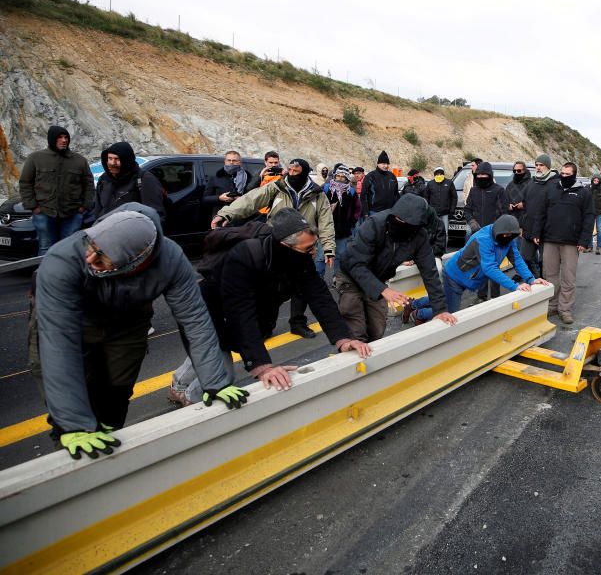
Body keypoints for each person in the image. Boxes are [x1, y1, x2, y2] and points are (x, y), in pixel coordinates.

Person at [34, 204, 245, 460]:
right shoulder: (62, 260)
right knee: (74, 400)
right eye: (91, 247)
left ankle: (109, 448)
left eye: (101, 256)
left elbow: (195, 321)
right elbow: (59, 343)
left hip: (128, 321)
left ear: (137, 260)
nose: (90, 259)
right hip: (72, 323)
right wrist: (74, 423)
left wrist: (215, 381)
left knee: (114, 396)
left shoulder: (171, 260)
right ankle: (70, 456)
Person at [169, 208, 371, 405]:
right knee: (222, 374)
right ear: (285, 245)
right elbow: (241, 314)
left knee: (218, 350)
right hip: (209, 314)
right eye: (308, 249)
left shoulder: (299, 258)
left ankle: (178, 383)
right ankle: (191, 400)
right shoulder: (244, 256)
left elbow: (321, 298)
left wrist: (344, 339)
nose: (314, 253)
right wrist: (262, 366)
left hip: (243, 312)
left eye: (314, 246)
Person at [214, 158, 336, 337]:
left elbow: (326, 222)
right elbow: (251, 200)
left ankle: (298, 323)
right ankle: (266, 326)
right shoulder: (276, 188)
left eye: (296, 171)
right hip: (276, 247)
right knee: (271, 291)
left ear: (304, 172)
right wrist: (226, 214)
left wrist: (328, 248)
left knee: (301, 289)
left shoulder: (317, 195)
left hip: (302, 249)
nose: (292, 174)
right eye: (290, 170)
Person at [336, 193, 457, 341]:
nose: (400, 223)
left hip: (379, 279)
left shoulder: (419, 236)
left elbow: (429, 273)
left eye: (406, 222)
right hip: (351, 278)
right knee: (356, 331)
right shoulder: (374, 224)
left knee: (376, 330)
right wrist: (383, 290)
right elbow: (355, 263)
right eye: (398, 219)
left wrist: (440, 310)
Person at [405, 215, 549, 323]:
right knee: (449, 311)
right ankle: (417, 314)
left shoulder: (508, 237)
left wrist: (531, 279)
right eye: (504, 236)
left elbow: (517, 259)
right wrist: (515, 286)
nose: (507, 238)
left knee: (442, 297)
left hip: (469, 277)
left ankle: (413, 304)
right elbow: (490, 268)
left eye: (509, 237)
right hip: (455, 276)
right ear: (498, 232)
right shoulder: (483, 239)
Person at [533, 162, 595, 325]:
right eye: (562, 173)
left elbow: (589, 218)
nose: (564, 176)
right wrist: (537, 232)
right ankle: (552, 305)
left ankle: (565, 309)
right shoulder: (552, 189)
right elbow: (541, 212)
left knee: (568, 277)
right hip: (550, 240)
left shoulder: (584, 193)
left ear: (574, 175)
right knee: (550, 275)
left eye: (568, 174)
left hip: (571, 242)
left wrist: (584, 240)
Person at [19, 125, 94, 255]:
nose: (64, 140)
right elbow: (25, 183)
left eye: (66, 137)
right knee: (45, 248)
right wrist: (33, 207)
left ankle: (67, 275)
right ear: (52, 139)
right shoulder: (36, 158)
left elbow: (89, 185)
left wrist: (84, 207)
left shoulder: (79, 161)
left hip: (72, 213)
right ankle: (45, 275)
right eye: (60, 137)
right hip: (44, 212)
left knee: (69, 248)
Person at [93, 141, 167, 223]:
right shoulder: (104, 179)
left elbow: (155, 215)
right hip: (106, 231)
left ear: (126, 160)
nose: (112, 163)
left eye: (117, 159)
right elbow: (98, 210)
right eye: (110, 159)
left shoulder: (144, 179)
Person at [466, 161, 507, 301]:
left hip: (494, 235)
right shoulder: (473, 190)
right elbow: (467, 209)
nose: (481, 177)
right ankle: (481, 296)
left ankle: (496, 298)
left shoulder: (498, 190)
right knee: (480, 266)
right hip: (478, 235)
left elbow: (504, 213)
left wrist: (496, 229)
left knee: (494, 267)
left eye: (484, 175)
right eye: (479, 175)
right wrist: (472, 222)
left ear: (490, 175)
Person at [521, 155, 558, 277]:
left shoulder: (555, 184)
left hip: (546, 230)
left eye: (541, 165)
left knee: (545, 262)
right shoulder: (532, 182)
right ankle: (536, 278)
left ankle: (544, 285)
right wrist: (522, 225)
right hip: (529, 229)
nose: (538, 167)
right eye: (536, 165)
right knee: (524, 258)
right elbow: (525, 204)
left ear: (548, 167)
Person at [328, 165, 357, 274]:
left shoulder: (351, 192)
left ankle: (337, 278)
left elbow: (357, 209)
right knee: (322, 257)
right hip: (327, 228)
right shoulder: (326, 188)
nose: (339, 178)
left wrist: (352, 221)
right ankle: (319, 279)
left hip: (343, 229)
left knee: (340, 256)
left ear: (346, 178)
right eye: (338, 176)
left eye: (342, 176)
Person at [425, 165, 458, 247]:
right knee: (433, 232)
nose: (439, 175)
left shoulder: (449, 183)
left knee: (445, 233)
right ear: (434, 175)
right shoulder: (430, 184)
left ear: (443, 174)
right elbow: (426, 198)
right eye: (437, 174)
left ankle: (444, 250)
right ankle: (433, 250)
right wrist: (428, 210)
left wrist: (452, 210)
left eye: (441, 173)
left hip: (445, 213)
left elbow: (454, 197)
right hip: (434, 214)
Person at [361, 151, 400, 217]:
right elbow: (364, 195)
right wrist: (365, 212)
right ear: (378, 164)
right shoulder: (370, 176)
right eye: (383, 163)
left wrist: (397, 209)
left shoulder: (392, 176)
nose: (386, 166)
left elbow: (396, 194)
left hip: (390, 211)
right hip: (374, 212)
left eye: (387, 164)